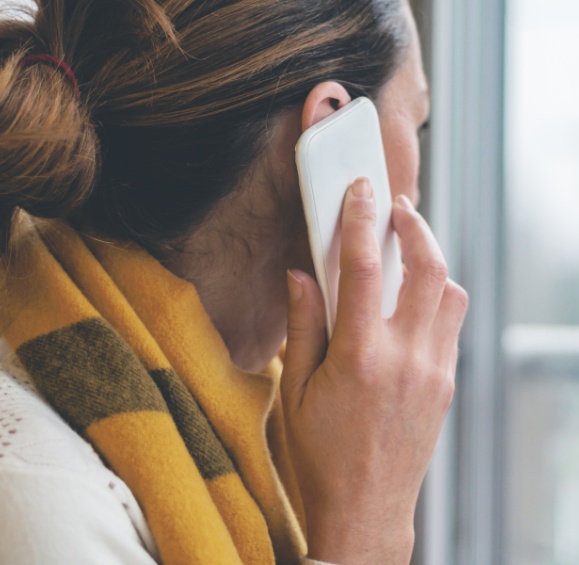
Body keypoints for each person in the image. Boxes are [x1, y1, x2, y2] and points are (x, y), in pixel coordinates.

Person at [0, 0, 467, 563]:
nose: (415, 195)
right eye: (418, 122)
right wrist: (367, 525)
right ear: (333, 129)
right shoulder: (48, 503)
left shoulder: (259, 415)